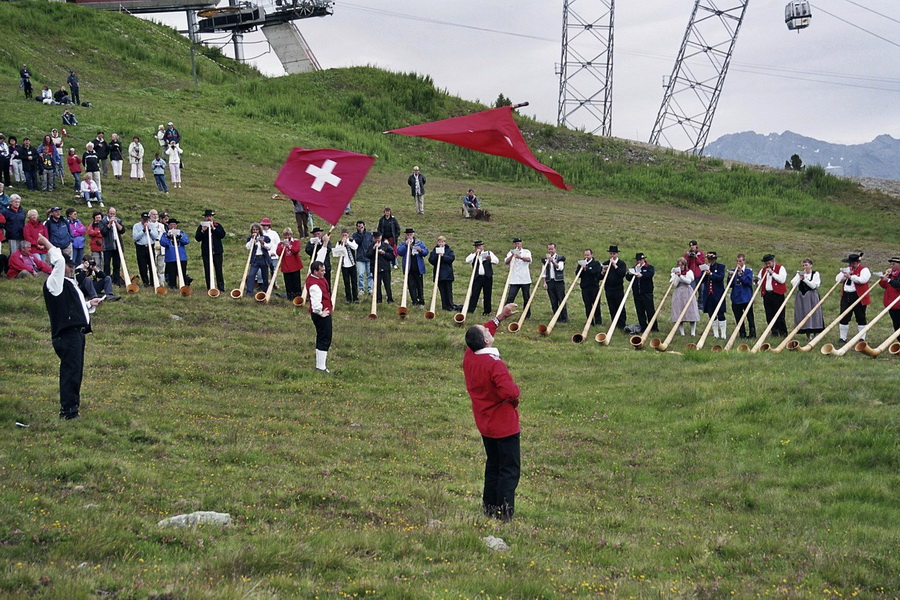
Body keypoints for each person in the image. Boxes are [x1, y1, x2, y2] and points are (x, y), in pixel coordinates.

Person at [463, 303, 521, 521]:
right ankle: (505, 512)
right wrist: (515, 397)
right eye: (486, 331)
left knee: (493, 465)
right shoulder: (494, 364)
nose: (489, 329)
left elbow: (484, 329)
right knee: (509, 469)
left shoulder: (471, 355)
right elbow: (510, 391)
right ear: (486, 341)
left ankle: (489, 507)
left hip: (485, 422)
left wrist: (500, 318)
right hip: (503, 424)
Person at [41, 236, 104, 420]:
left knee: (75, 371)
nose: (70, 268)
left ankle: (72, 407)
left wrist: (88, 304)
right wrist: (46, 242)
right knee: (70, 372)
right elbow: (59, 260)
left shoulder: (67, 284)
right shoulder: (54, 283)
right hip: (67, 335)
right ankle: (68, 411)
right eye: (69, 266)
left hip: (76, 334)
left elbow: (72, 307)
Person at [835, 253, 871, 343]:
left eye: (853, 263)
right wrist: (844, 274)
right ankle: (843, 338)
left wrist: (851, 277)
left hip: (859, 296)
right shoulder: (847, 269)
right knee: (843, 316)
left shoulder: (864, 270)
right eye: (850, 263)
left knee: (861, 317)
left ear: (858, 262)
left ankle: (862, 337)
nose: (851, 265)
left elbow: (863, 280)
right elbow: (838, 280)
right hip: (846, 295)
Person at [306, 260, 334, 373]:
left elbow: (320, 256)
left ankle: (320, 365)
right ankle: (321, 367)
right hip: (321, 315)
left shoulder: (315, 278)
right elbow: (315, 302)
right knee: (325, 338)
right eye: (321, 271)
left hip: (322, 313)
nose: (324, 272)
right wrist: (320, 312)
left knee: (322, 337)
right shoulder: (314, 285)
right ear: (315, 271)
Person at [791, 259, 825, 340]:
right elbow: (793, 284)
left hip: (812, 296)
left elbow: (814, 286)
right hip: (802, 296)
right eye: (803, 265)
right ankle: (807, 334)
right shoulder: (799, 274)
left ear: (811, 265)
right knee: (803, 313)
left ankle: (815, 333)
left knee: (814, 314)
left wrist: (805, 279)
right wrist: (799, 278)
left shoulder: (815, 274)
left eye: (806, 265)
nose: (804, 267)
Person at [194, 209, 225, 293]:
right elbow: (197, 238)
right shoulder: (201, 226)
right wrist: (203, 230)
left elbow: (222, 235)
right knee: (207, 270)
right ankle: (210, 287)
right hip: (206, 252)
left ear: (212, 217)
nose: (209, 218)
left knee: (218, 270)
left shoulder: (217, 225)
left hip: (217, 252)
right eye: (207, 217)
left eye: (210, 216)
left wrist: (213, 228)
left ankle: (221, 288)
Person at [758, 254, 788, 338]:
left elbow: (782, 280)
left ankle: (783, 332)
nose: (767, 265)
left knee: (779, 314)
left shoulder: (780, 268)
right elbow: (759, 281)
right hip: (767, 294)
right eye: (766, 263)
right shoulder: (763, 270)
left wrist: (772, 273)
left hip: (777, 294)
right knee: (769, 314)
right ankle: (774, 332)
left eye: (769, 263)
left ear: (773, 261)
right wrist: (756, 281)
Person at [465, 241, 499, 315]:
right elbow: (467, 260)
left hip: (487, 277)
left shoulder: (489, 253)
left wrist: (490, 259)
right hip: (477, 277)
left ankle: (487, 311)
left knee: (487, 294)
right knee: (475, 294)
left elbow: (496, 261)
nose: (479, 248)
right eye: (477, 246)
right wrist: (475, 254)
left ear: (482, 246)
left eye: (480, 246)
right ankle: (470, 310)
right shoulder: (473, 255)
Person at [397, 228, 428, 306]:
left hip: (418, 268)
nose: (409, 236)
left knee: (419, 285)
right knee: (411, 285)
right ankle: (414, 301)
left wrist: (420, 250)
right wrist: (406, 245)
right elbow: (399, 252)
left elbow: (426, 252)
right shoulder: (403, 243)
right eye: (408, 235)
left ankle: (421, 300)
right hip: (409, 268)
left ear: (413, 234)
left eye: (410, 234)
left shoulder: (419, 242)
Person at [700, 251, 728, 339]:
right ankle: (715, 333)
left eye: (711, 259)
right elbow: (701, 280)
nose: (710, 261)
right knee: (711, 313)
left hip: (718, 294)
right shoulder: (705, 268)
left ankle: (723, 333)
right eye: (709, 259)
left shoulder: (720, 267)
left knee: (720, 313)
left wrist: (711, 274)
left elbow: (720, 277)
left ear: (715, 259)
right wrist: (705, 272)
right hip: (708, 294)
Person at [627, 252, 657, 334]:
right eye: (638, 260)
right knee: (640, 311)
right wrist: (631, 273)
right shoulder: (634, 268)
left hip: (647, 292)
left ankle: (654, 327)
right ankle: (643, 326)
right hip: (637, 293)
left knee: (650, 310)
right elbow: (628, 277)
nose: (640, 261)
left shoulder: (649, 267)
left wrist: (642, 275)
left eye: (641, 259)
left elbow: (650, 274)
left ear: (644, 259)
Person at [504, 238, 533, 318]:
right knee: (510, 297)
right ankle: (505, 313)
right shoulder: (510, 252)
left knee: (526, 297)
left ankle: (527, 315)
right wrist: (512, 255)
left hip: (525, 279)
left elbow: (529, 260)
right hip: (514, 279)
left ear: (521, 243)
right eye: (515, 244)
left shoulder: (526, 252)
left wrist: (519, 257)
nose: (517, 245)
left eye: (518, 243)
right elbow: (506, 262)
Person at [670, 257, 700, 336]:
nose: (681, 267)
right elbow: (675, 284)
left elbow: (688, 281)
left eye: (682, 265)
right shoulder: (675, 273)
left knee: (691, 310)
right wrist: (676, 276)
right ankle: (682, 333)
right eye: (679, 265)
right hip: (678, 292)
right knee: (679, 310)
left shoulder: (689, 272)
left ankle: (692, 332)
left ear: (685, 265)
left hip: (688, 291)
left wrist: (681, 276)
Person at [730, 253, 757, 339]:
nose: (739, 263)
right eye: (737, 261)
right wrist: (730, 277)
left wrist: (741, 273)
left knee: (750, 316)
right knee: (738, 317)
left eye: (740, 261)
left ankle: (752, 333)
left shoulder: (749, 271)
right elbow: (730, 285)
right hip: (736, 297)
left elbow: (748, 282)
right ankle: (742, 333)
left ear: (744, 261)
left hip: (746, 297)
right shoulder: (733, 271)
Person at [159, 218, 191, 289]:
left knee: (182, 273)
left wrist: (180, 237)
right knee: (172, 274)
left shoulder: (181, 233)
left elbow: (186, 241)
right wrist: (168, 237)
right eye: (171, 224)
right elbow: (163, 243)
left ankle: (183, 286)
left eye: (174, 224)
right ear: (169, 225)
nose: (173, 226)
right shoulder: (165, 234)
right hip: (171, 258)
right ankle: (173, 286)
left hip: (181, 257)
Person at [601, 245, 628, 329]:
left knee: (620, 306)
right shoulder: (606, 263)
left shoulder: (621, 263)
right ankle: (614, 323)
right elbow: (599, 277)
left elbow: (622, 274)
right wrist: (603, 272)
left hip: (618, 288)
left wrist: (615, 265)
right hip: (608, 288)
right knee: (611, 306)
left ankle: (622, 323)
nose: (612, 255)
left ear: (617, 254)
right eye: (611, 253)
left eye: (614, 254)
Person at [540, 243, 568, 323]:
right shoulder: (545, 259)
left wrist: (552, 261)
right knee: (553, 300)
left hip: (558, 282)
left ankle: (564, 317)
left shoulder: (560, 258)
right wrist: (544, 282)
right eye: (549, 249)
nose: (550, 251)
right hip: (550, 281)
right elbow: (544, 272)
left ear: (555, 249)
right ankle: (557, 317)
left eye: (552, 249)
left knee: (561, 299)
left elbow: (559, 267)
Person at [428, 235, 456, 311]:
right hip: (439, 275)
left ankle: (450, 306)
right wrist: (437, 256)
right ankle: (444, 306)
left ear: (444, 242)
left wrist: (443, 256)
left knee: (448, 291)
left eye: (442, 242)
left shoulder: (449, 250)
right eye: (439, 242)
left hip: (447, 275)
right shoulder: (434, 250)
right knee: (442, 292)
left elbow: (451, 259)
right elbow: (431, 260)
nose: (441, 243)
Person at [100, 207, 126, 286]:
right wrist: (110, 224)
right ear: (107, 213)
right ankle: (107, 281)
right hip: (107, 246)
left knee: (117, 264)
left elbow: (122, 230)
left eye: (113, 214)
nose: (112, 215)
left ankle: (116, 281)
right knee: (107, 265)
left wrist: (116, 223)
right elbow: (103, 232)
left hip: (117, 246)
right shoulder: (103, 221)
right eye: (111, 214)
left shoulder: (119, 220)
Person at [132, 212, 159, 287]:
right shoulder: (136, 226)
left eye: (147, 219)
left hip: (150, 246)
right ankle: (145, 282)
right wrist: (143, 230)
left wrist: (149, 230)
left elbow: (156, 236)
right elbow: (135, 237)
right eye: (144, 220)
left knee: (152, 265)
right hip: (141, 247)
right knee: (142, 266)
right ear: (141, 219)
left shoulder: (152, 226)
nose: (145, 221)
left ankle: (153, 282)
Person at [333, 228, 359, 304]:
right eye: (343, 235)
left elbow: (355, 247)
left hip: (352, 265)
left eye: (346, 235)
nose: (344, 236)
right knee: (346, 282)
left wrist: (347, 242)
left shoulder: (351, 241)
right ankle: (348, 298)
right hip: (344, 266)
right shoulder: (339, 243)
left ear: (348, 235)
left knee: (354, 282)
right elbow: (336, 253)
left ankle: (355, 297)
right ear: (341, 235)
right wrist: (342, 244)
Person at [578, 249, 604, 325]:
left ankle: (598, 321)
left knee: (596, 305)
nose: (586, 256)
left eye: (588, 255)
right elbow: (578, 274)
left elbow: (596, 272)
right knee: (587, 305)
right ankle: (590, 321)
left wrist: (587, 269)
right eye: (585, 255)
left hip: (594, 287)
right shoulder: (581, 263)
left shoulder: (596, 263)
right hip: (585, 287)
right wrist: (581, 269)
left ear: (591, 255)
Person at [278, 228, 304, 301]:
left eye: (289, 234)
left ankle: (298, 297)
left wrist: (289, 246)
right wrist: (283, 246)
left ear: (291, 234)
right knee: (288, 283)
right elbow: (278, 252)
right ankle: (290, 297)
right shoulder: (281, 243)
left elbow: (296, 250)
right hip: (286, 266)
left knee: (296, 283)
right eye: (286, 235)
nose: (287, 236)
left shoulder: (296, 241)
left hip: (295, 266)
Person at [245, 223, 270, 296]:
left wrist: (263, 243)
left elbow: (269, 247)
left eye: (256, 229)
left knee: (265, 276)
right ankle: (249, 292)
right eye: (253, 230)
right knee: (251, 275)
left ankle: (265, 292)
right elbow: (248, 247)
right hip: (255, 259)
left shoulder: (265, 237)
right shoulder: (250, 238)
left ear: (259, 230)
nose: (255, 231)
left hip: (263, 258)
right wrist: (252, 239)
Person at [368, 231, 394, 303]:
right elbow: (367, 255)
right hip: (375, 268)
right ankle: (378, 299)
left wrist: (384, 253)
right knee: (377, 285)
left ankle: (390, 299)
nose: (377, 240)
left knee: (387, 284)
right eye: (375, 238)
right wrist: (373, 249)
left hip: (385, 268)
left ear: (381, 237)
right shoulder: (370, 246)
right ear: (373, 238)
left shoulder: (386, 246)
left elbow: (392, 256)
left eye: (378, 238)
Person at [352, 220, 374, 295]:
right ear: (356, 227)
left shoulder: (369, 234)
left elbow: (372, 243)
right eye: (359, 226)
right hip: (360, 257)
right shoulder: (355, 235)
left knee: (370, 274)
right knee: (360, 274)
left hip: (369, 257)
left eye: (362, 226)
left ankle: (370, 288)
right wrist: (361, 234)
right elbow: (356, 243)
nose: (360, 227)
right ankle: (361, 289)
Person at [879, 256, 900, 331]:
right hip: (891, 303)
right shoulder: (891, 274)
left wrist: (888, 280)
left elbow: (898, 285)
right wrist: (884, 278)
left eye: (893, 264)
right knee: (896, 324)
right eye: (891, 264)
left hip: (898, 304)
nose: (891, 266)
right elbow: (884, 286)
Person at [260, 217, 281, 285]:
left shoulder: (274, 233)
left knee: (273, 269)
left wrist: (275, 253)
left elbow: (278, 244)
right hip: (264, 255)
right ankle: (262, 283)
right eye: (263, 225)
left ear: (269, 226)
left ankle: (274, 283)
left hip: (273, 254)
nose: (264, 227)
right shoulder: (261, 234)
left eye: (266, 225)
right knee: (264, 270)